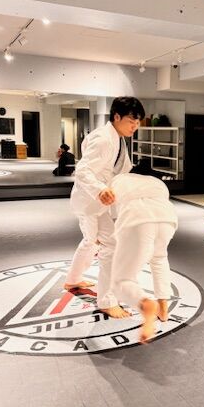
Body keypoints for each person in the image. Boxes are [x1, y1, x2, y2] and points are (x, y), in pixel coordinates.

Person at [65, 96, 145, 319]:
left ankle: (73, 280)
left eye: (138, 122)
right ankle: (107, 301)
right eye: (131, 121)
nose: (135, 126)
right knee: (109, 245)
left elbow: (119, 171)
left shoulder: (117, 138)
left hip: (98, 203)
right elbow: (82, 170)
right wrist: (100, 189)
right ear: (117, 116)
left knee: (92, 242)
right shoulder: (104, 139)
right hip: (91, 202)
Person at [110, 159, 178, 343]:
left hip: (137, 218)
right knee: (159, 258)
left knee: (121, 280)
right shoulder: (159, 183)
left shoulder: (120, 179)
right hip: (167, 218)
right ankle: (163, 306)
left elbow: (112, 212)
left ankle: (145, 304)